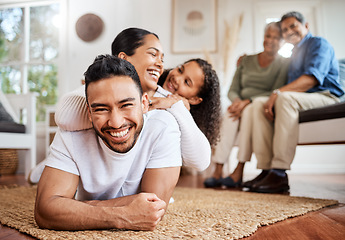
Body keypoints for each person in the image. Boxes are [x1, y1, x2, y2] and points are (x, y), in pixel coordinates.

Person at [28, 28, 221, 184]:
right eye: (153, 55)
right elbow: (65, 117)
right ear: (123, 58)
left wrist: (176, 106)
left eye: (162, 59)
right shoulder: (103, 84)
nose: (165, 68)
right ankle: (55, 163)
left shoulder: (167, 103)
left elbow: (201, 161)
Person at [34, 55, 182, 231]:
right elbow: (45, 211)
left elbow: (152, 209)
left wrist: (75, 206)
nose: (116, 122)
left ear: (144, 103)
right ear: (89, 112)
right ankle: (36, 172)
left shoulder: (163, 127)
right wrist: (123, 216)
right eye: (101, 109)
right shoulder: (71, 134)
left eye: (126, 105)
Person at [247, 11, 344, 193]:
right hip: (304, 99)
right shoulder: (293, 55)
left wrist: (277, 93)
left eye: (293, 26)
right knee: (258, 104)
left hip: (326, 96)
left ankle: (279, 173)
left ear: (305, 26)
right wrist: (246, 60)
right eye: (284, 30)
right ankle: (266, 169)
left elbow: (310, 80)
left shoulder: (318, 44)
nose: (289, 31)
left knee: (284, 98)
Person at [204, 22, 290, 188]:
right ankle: (218, 169)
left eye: (276, 37)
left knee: (251, 110)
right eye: (268, 36)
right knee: (229, 115)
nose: (270, 40)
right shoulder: (246, 60)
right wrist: (237, 102)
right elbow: (232, 89)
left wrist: (247, 102)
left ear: (282, 41)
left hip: (259, 104)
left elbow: (276, 90)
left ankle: (239, 169)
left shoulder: (284, 64)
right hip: (240, 104)